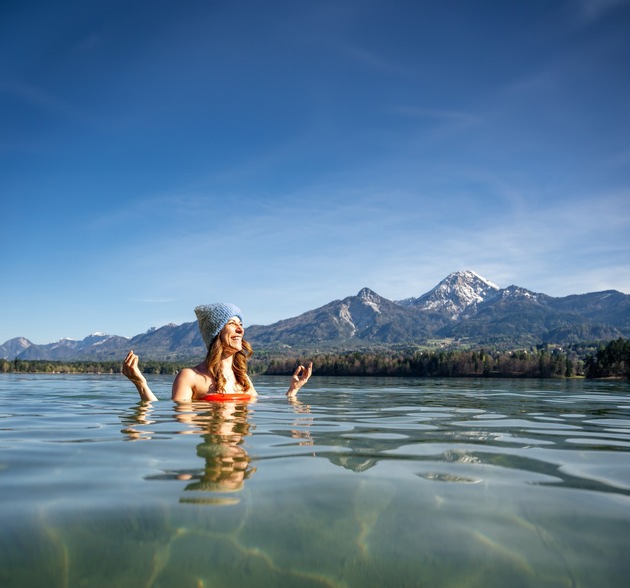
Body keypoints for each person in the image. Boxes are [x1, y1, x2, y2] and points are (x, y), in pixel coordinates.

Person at [122, 302, 312, 402]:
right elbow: (176, 422)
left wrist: (292, 391)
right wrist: (141, 384)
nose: (240, 329)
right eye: (232, 323)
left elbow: (258, 402)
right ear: (216, 332)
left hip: (237, 453)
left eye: (241, 324)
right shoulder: (190, 376)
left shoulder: (242, 377)